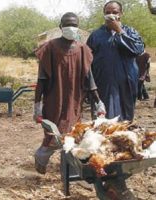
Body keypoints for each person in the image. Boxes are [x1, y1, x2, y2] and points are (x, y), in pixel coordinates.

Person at [33, 12, 105, 174]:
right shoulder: (49, 48)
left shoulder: (83, 49)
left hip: (75, 100)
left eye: (74, 25)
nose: (70, 28)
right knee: (53, 134)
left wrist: (98, 102)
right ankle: (41, 156)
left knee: (73, 134)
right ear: (60, 27)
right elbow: (42, 79)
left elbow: (89, 79)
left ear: (78, 27)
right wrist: (37, 104)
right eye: (67, 24)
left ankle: (71, 171)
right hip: (54, 100)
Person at [87, 1, 144, 121]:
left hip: (126, 83)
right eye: (108, 13)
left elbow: (137, 50)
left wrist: (119, 31)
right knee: (104, 119)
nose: (111, 15)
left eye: (115, 12)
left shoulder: (130, 32)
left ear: (121, 13)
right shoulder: (96, 35)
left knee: (126, 118)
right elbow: (87, 62)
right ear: (104, 14)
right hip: (103, 83)